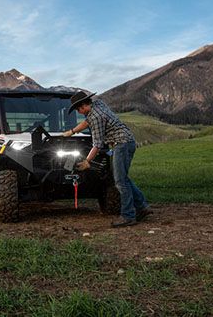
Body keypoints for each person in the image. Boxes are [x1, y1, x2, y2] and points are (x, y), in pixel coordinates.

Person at [62, 91, 152, 227]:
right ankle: (142, 206)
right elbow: (87, 122)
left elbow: (97, 144)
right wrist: (73, 131)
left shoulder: (96, 118)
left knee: (120, 181)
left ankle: (128, 216)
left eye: (78, 109)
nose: (79, 112)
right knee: (123, 178)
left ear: (83, 106)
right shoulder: (98, 104)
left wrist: (87, 161)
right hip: (127, 142)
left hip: (120, 145)